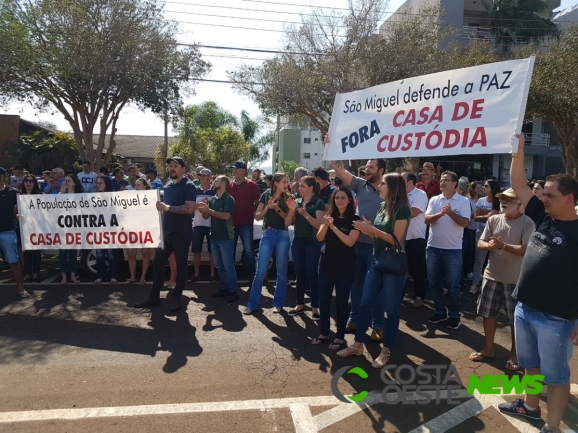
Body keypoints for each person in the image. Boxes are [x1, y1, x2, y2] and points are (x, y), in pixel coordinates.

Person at [498, 135, 578, 433]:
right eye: (542, 194)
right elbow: (518, 183)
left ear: (569, 198)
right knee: (531, 365)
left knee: (557, 376)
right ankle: (530, 406)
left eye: (550, 196)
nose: (542, 199)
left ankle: (553, 426)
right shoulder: (542, 216)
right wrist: (518, 152)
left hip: (557, 317)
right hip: (526, 308)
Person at [337, 173, 410, 369]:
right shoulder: (381, 206)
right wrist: (366, 229)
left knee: (391, 310)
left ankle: (385, 351)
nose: (380, 187)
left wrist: (373, 231)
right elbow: (378, 235)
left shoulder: (402, 209)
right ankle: (358, 345)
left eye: (383, 184)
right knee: (364, 302)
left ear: (393, 187)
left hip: (393, 263)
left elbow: (395, 239)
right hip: (378, 260)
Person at [469, 188, 534, 371]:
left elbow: (525, 250)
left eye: (509, 199)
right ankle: (489, 349)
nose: (503, 202)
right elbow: (480, 242)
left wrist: (502, 245)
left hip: (516, 280)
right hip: (491, 275)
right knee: (488, 314)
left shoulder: (528, 222)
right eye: (502, 199)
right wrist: (488, 245)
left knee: (516, 321)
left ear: (521, 204)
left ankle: (515, 355)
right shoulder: (493, 219)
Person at [329, 156, 385, 341]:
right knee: (356, 284)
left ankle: (378, 325)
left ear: (381, 170)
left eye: (371, 167)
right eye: (366, 167)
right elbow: (339, 170)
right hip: (357, 244)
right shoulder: (360, 185)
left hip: (377, 246)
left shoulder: (388, 189)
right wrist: (332, 149)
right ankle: (355, 319)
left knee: (376, 289)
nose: (367, 170)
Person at [134, 157, 197, 312]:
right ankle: (154, 296)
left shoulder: (189, 186)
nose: (172, 168)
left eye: (175, 166)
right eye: (170, 166)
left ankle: (177, 297)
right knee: (159, 263)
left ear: (183, 168)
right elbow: (160, 208)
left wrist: (167, 208)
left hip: (182, 233)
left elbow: (189, 209)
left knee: (181, 266)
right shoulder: (167, 185)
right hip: (166, 232)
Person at [311, 187, 360, 349]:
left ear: (349, 201)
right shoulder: (329, 217)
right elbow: (319, 237)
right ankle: (324, 333)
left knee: (341, 302)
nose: (339, 200)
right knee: (323, 301)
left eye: (343, 198)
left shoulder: (354, 219)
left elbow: (350, 242)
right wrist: (326, 224)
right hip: (325, 264)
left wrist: (333, 228)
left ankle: (339, 337)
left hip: (345, 266)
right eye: (337, 197)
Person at [425, 171, 471, 330]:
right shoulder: (434, 199)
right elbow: (426, 220)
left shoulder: (463, 201)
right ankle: (439, 311)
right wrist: (441, 213)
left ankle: (454, 315)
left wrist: (450, 213)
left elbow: (465, 223)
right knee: (433, 283)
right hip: (433, 248)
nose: (442, 182)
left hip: (453, 250)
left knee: (453, 286)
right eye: (441, 180)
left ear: (455, 184)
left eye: (446, 180)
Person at [243, 173, 294, 315]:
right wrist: (268, 208)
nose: (286, 184)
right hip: (268, 234)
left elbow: (287, 222)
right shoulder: (266, 194)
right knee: (260, 271)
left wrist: (277, 209)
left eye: (287, 182)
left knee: (281, 272)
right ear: (276, 183)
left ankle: (278, 304)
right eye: (284, 181)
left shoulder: (289, 198)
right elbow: (258, 216)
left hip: (283, 235)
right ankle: (252, 304)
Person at [286, 176, 325, 319]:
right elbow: (288, 223)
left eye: (302, 186)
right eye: (299, 186)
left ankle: (315, 307)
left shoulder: (318, 203)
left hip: (312, 242)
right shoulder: (297, 202)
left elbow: (319, 225)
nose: (299, 188)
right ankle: (299, 304)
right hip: (298, 242)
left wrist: (306, 214)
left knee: (312, 274)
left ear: (311, 188)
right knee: (299, 274)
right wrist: (291, 210)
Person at [198, 175, 238, 303]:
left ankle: (233, 291)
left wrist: (209, 211)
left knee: (228, 266)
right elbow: (205, 216)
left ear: (223, 184)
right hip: (214, 236)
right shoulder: (213, 199)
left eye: (216, 181)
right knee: (219, 265)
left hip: (226, 237)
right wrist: (204, 209)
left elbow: (226, 216)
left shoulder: (229, 199)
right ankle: (224, 288)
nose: (213, 182)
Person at [228, 160, 261, 282]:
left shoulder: (252, 185)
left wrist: (251, 211)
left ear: (243, 171)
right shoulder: (229, 185)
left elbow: (257, 202)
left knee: (248, 251)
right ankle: (231, 277)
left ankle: (252, 277)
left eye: (236, 169)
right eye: (233, 169)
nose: (234, 171)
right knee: (231, 250)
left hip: (246, 223)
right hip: (231, 224)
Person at [0, 167, 29, 298]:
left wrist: (18, 215)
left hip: (8, 231)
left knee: (14, 261)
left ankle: (20, 288)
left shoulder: (14, 192)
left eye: (0, 176)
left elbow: (22, 209)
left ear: (5, 177)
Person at [401, 171, 428, 308]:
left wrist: (395, 215)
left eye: (402, 178)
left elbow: (414, 212)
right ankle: (399, 295)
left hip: (415, 237)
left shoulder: (420, 195)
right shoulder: (399, 194)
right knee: (400, 268)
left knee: (417, 268)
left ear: (410, 181)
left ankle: (419, 295)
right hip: (400, 237)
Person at [469, 179, 501, 294]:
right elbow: (475, 218)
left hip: (497, 232)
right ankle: (475, 284)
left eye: (486, 186)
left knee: (496, 260)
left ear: (492, 188)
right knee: (479, 260)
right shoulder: (481, 201)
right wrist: (488, 216)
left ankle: (494, 285)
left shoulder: (500, 202)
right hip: (482, 231)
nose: (483, 187)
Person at [190, 168, 216, 283]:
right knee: (196, 251)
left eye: (205, 176)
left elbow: (218, 207)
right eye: (201, 176)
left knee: (212, 251)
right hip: (198, 224)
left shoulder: (215, 192)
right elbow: (190, 207)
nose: (202, 178)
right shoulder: (195, 190)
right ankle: (196, 274)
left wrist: (208, 205)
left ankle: (212, 274)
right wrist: (196, 206)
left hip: (212, 225)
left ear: (210, 177)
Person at [126, 177, 152, 285]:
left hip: (147, 228)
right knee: (131, 254)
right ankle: (132, 277)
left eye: (139, 185)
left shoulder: (151, 198)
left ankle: (142, 277)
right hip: (132, 228)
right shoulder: (129, 198)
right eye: (135, 185)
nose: (136, 187)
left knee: (146, 253)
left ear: (145, 187)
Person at [59, 174, 84, 284]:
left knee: (73, 254)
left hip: (74, 229)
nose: (66, 182)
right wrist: (62, 191)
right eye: (65, 181)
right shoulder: (61, 195)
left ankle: (73, 275)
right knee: (63, 254)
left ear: (74, 183)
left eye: (68, 181)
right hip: (63, 229)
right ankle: (64, 276)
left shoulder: (80, 196)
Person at [94, 175, 118, 284]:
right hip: (98, 230)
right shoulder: (93, 197)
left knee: (111, 254)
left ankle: (113, 276)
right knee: (99, 255)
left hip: (110, 230)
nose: (97, 185)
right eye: (97, 183)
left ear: (106, 184)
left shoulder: (113, 196)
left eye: (100, 183)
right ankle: (100, 276)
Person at [20, 175, 43, 282]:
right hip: (25, 227)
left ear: (35, 184)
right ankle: (28, 272)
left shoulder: (40, 196)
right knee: (27, 251)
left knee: (36, 252)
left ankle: (36, 273)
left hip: (37, 227)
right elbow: (16, 211)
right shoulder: (20, 196)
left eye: (31, 181)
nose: (28, 183)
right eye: (26, 181)